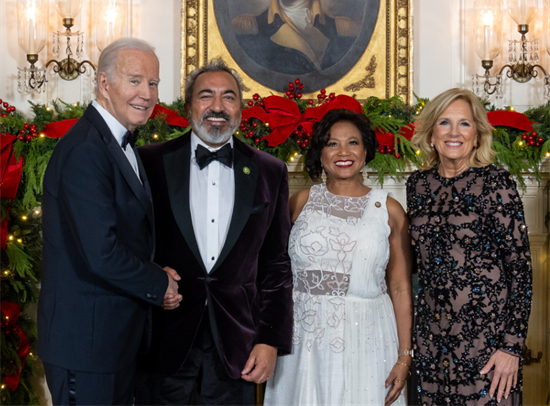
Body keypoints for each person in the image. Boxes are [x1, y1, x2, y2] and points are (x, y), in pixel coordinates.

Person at [134, 58, 293, 405]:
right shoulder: (147, 162)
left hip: (237, 345)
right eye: (206, 96)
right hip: (163, 337)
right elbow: (128, 243)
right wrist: (150, 278)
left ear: (241, 107)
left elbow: (276, 265)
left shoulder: (271, 171)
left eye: (229, 97)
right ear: (188, 105)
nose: (217, 107)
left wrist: (270, 341)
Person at [38, 38, 182, 406]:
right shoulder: (87, 150)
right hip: (85, 345)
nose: (147, 94)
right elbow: (101, 252)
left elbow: (121, 237)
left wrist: (153, 272)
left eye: (153, 83)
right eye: (135, 80)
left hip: (107, 343)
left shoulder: (116, 142)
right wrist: (158, 281)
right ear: (103, 83)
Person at [264, 109, 413, 405]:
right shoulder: (299, 202)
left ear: (366, 150)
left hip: (368, 336)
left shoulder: (389, 209)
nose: (343, 152)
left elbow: (400, 287)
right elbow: (273, 273)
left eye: (353, 143)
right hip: (302, 339)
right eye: (332, 143)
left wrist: (404, 356)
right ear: (320, 153)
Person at [407, 88, 533, 405]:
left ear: (477, 135)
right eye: (444, 122)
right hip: (431, 345)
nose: (454, 133)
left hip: (489, 346)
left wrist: (512, 347)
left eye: (464, 124)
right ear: (431, 133)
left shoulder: (497, 185)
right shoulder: (417, 186)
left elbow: (521, 272)